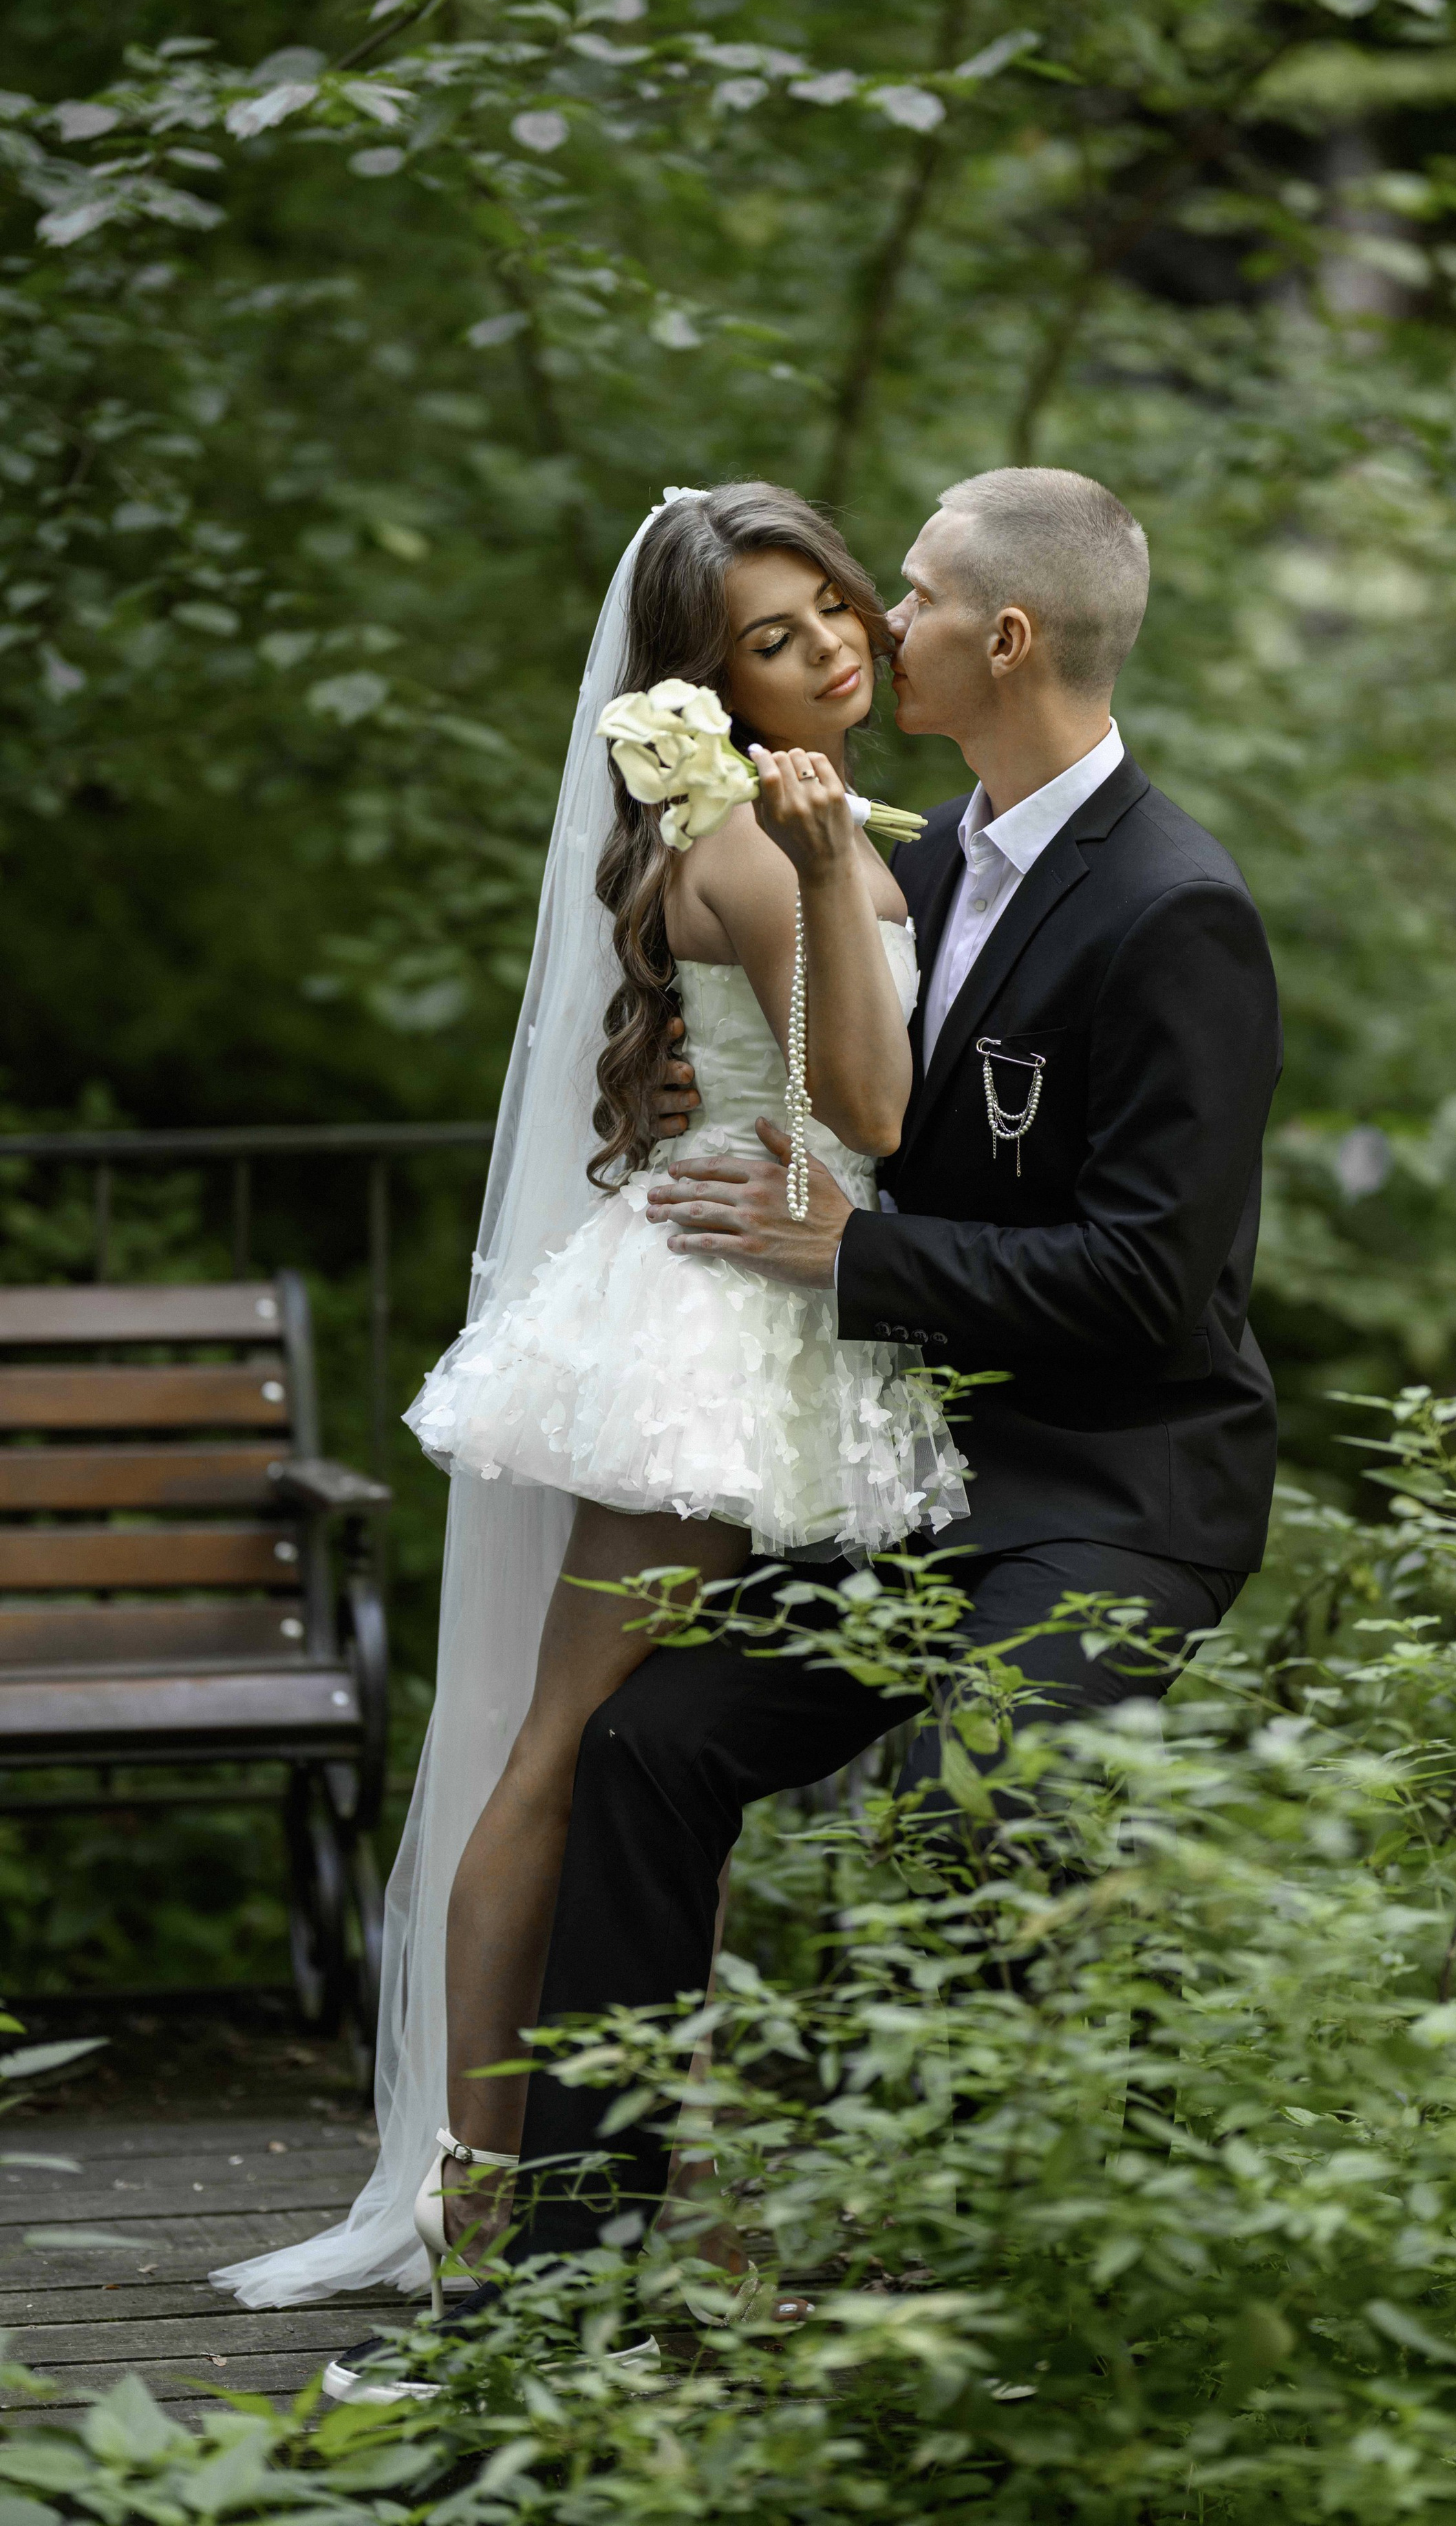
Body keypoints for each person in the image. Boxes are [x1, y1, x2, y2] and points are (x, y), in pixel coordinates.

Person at [478, 468, 1283, 2304]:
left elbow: (1153, 1284)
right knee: (644, 1746)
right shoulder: (922, 857)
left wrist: (851, 1258)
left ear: (1000, 637)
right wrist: (723, 1090)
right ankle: (556, 2299)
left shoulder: (1177, 911)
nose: (872, 622)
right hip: (933, 1478)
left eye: (903, 595)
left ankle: (938, 2304)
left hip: (1117, 1490)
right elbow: (849, 1070)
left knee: (967, 1785)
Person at [214, 483, 965, 2321]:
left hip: (808, 1302)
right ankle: (478, 2185)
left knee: (665, 1778)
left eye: (837, 610)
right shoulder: (745, 842)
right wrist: (807, 872)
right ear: (702, 686)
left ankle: (648, 2160)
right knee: (574, 1744)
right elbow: (868, 1113)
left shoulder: (833, 824)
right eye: (771, 640)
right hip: (723, 1333)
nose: (830, 649)